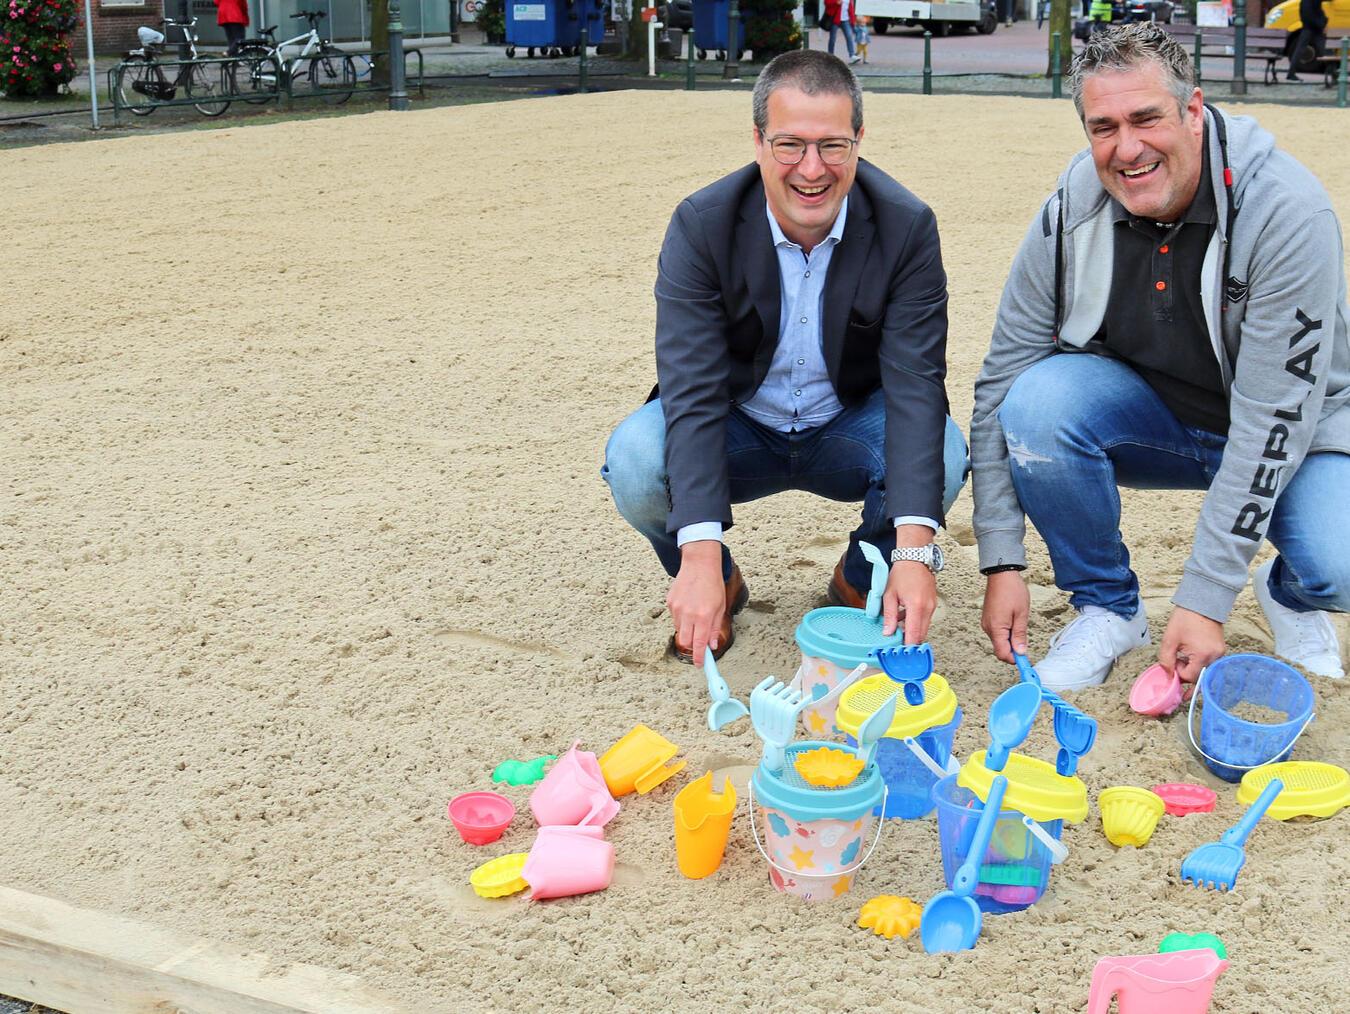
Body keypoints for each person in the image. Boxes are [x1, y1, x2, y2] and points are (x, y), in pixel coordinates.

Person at [970, 23, 1350, 692]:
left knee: (1339, 566)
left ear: (1194, 111)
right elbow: (1001, 378)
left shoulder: (1288, 211)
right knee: (1036, 402)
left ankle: (1290, 594)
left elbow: (1272, 424)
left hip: (1293, 430)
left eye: (1147, 118)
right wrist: (1002, 559)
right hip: (1154, 418)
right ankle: (1108, 608)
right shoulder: (1068, 211)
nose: (1128, 147)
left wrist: (1206, 600)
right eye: (1104, 127)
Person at [603, 49, 968, 666]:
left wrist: (914, 553)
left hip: (847, 423)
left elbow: (915, 389)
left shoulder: (906, 226)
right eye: (790, 145)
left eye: (832, 146)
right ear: (757, 140)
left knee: (948, 452)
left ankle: (860, 574)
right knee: (636, 461)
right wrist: (697, 558)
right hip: (736, 421)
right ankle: (717, 585)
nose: (811, 169)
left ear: (859, 140)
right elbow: (689, 389)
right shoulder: (701, 224)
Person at [1286, 0, 1328, 82]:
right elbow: (1316, 12)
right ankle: (1333, 73)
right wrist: (1322, 23)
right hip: (1314, 29)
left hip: (1308, 28)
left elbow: (1305, 14)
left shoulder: (1304, 1)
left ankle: (1291, 73)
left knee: (1300, 50)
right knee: (1324, 50)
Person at [823, 0, 861, 65]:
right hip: (835, 19)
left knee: (849, 36)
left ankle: (852, 55)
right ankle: (830, 56)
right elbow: (826, 2)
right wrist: (836, 2)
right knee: (833, 38)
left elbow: (851, 9)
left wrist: (852, 21)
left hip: (846, 20)